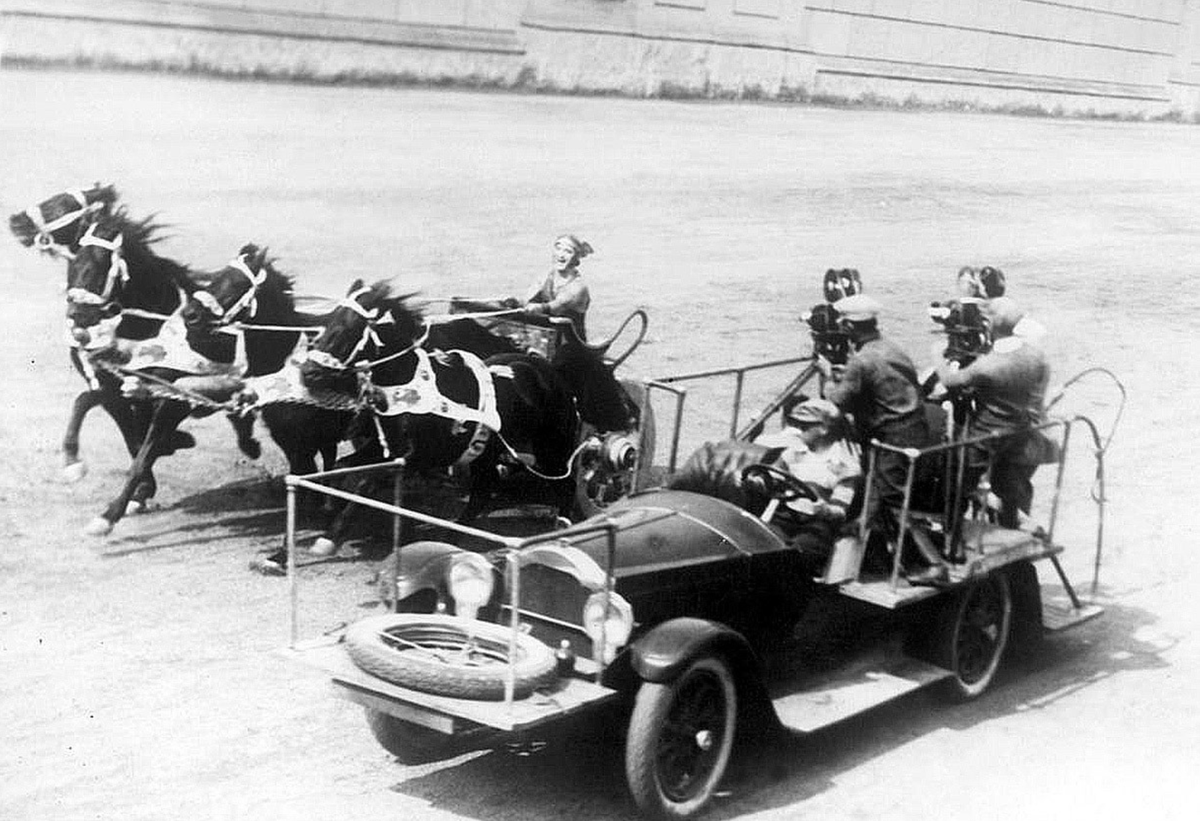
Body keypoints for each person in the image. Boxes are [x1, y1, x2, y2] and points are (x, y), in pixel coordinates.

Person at [819, 293, 949, 583]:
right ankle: (866, 531)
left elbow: (837, 402)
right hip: (912, 428)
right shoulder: (891, 348)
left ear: (851, 328)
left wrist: (828, 375)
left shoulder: (862, 360)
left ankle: (934, 564)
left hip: (893, 436)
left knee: (891, 500)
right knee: (876, 491)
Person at [936, 297, 1055, 530]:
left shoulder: (988, 364)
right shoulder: (1034, 355)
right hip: (1019, 431)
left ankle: (954, 539)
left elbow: (951, 382)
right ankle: (1010, 525)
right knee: (1006, 484)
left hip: (986, 435)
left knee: (958, 480)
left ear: (990, 325)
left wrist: (937, 356)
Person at [755, 398, 861, 546]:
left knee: (799, 548)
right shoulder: (793, 453)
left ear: (824, 429)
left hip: (817, 525)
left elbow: (840, 511)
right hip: (787, 515)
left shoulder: (845, 466)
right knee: (758, 539)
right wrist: (758, 483)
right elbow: (772, 477)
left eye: (804, 426)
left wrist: (825, 510)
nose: (798, 430)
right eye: (797, 424)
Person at [523, 234, 593, 340]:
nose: (561, 255)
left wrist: (538, 307)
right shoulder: (545, 277)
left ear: (576, 258)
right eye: (558, 249)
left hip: (570, 344)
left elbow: (556, 307)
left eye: (568, 251)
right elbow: (526, 302)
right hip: (545, 337)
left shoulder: (578, 287)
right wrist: (510, 302)